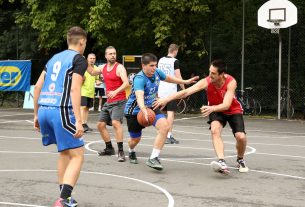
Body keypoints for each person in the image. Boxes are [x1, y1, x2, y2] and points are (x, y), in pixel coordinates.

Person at [153, 59, 249, 175]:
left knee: (241, 137)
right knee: (215, 130)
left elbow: (226, 105)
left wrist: (211, 108)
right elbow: (186, 92)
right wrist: (166, 99)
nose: (210, 75)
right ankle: (222, 161)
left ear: (222, 74)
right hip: (215, 109)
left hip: (232, 110)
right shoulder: (207, 81)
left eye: (213, 73)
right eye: (209, 72)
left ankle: (240, 159)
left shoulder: (231, 82)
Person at [33, 26, 92, 206]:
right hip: (62, 110)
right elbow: (75, 89)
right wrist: (79, 121)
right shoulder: (79, 60)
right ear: (81, 42)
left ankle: (64, 196)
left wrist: (36, 114)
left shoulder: (53, 59)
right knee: (78, 155)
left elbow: (37, 87)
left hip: (45, 109)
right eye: (85, 43)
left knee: (65, 153)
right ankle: (64, 199)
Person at [124, 53, 198, 171]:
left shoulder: (157, 72)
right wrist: (144, 111)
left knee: (165, 127)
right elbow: (139, 96)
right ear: (143, 66)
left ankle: (153, 158)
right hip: (135, 111)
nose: (154, 68)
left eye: (155, 65)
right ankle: (131, 150)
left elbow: (169, 78)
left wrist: (185, 81)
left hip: (152, 106)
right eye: (151, 65)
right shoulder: (139, 79)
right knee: (135, 140)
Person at [97, 46, 129, 162]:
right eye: (110, 54)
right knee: (100, 125)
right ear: (106, 56)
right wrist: (84, 61)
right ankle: (109, 148)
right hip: (109, 102)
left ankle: (121, 151)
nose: (113, 55)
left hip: (119, 101)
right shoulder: (103, 67)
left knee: (116, 123)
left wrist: (115, 91)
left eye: (114, 53)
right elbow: (91, 72)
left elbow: (126, 83)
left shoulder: (119, 67)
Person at [158, 43, 185, 144]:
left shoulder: (161, 60)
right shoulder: (175, 61)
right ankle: (168, 135)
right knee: (170, 113)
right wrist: (184, 89)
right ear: (175, 51)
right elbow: (178, 77)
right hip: (170, 90)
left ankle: (161, 132)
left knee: (160, 113)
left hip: (161, 89)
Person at [81, 53, 101, 132]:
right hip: (83, 90)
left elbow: (97, 79)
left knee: (87, 108)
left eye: (93, 58)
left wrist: (98, 81)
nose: (92, 60)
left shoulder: (96, 68)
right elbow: (79, 77)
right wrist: (82, 78)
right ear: (87, 59)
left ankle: (85, 123)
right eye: (90, 58)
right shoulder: (83, 67)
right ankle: (81, 124)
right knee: (82, 107)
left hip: (91, 91)